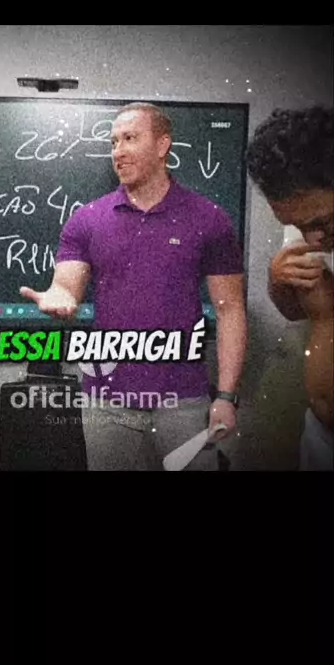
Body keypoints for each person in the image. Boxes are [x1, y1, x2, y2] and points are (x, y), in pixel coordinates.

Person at [20, 103, 247, 470]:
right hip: (107, 400)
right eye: (113, 142)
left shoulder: (209, 219)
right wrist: (58, 297)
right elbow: (66, 285)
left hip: (184, 399)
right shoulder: (87, 220)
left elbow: (230, 309)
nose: (118, 151)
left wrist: (226, 395)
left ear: (162, 145)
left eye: (129, 138)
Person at [247, 104, 333, 471]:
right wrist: (276, 279)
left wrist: (328, 315)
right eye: (297, 226)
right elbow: (295, 311)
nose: (313, 240)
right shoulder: (305, 219)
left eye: (323, 223)